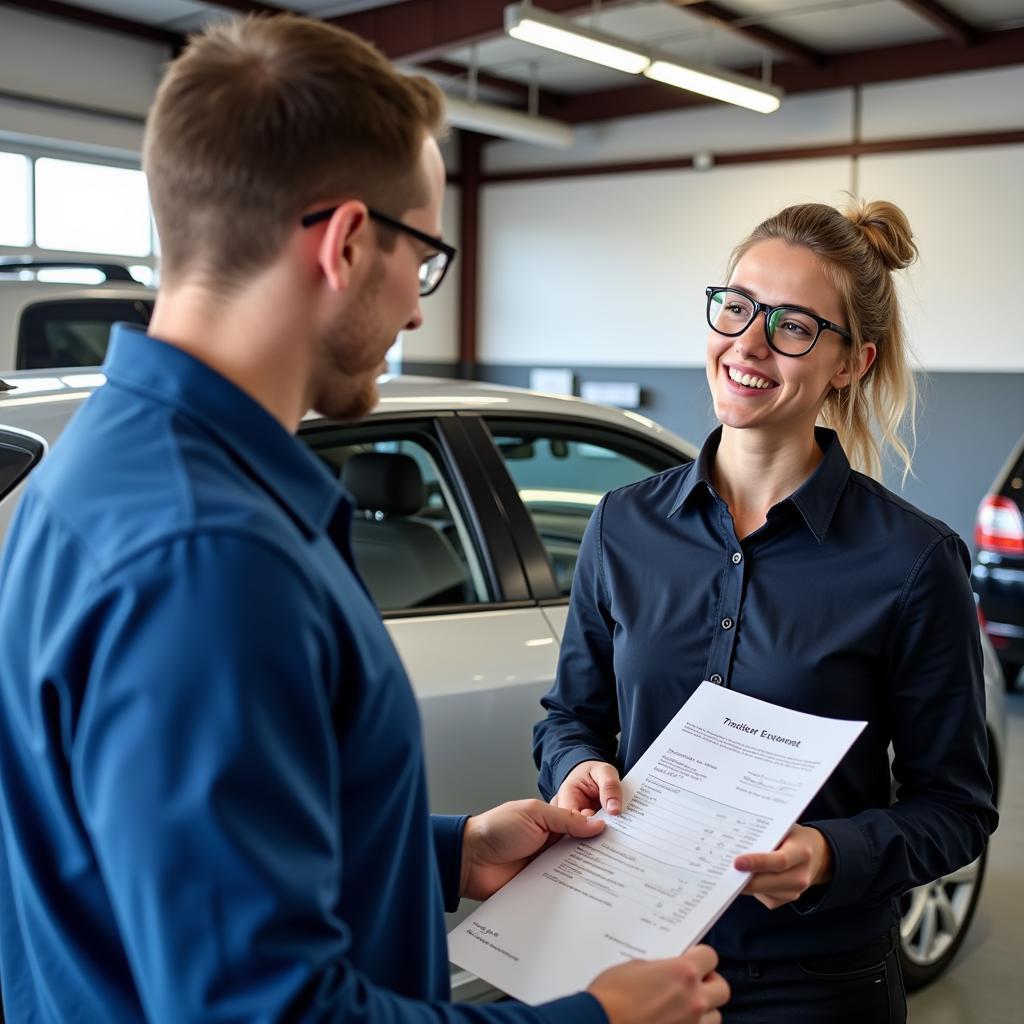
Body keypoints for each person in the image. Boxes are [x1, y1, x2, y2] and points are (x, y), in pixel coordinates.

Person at [0, 15, 730, 1024]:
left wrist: (448, 850)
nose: (419, 311)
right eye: (421, 255)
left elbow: (169, 855)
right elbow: (262, 1012)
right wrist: (595, 1018)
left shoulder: (100, 464)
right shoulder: (210, 557)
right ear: (346, 242)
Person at [535, 199, 999, 1023]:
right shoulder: (623, 526)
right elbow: (571, 716)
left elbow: (957, 808)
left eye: (793, 325)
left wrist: (829, 853)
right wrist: (575, 766)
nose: (748, 342)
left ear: (851, 363)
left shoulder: (913, 561)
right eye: (738, 306)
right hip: (633, 960)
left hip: (815, 986)